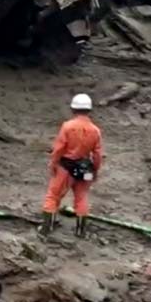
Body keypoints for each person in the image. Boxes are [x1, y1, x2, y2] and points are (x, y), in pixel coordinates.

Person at [40, 93, 103, 237]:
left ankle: (46, 229)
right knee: (82, 197)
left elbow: (59, 148)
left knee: (53, 196)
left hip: (65, 167)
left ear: (73, 108)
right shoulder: (95, 130)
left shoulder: (67, 126)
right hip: (85, 168)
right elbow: (98, 154)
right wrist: (95, 171)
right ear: (89, 110)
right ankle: (81, 231)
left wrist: (53, 163)